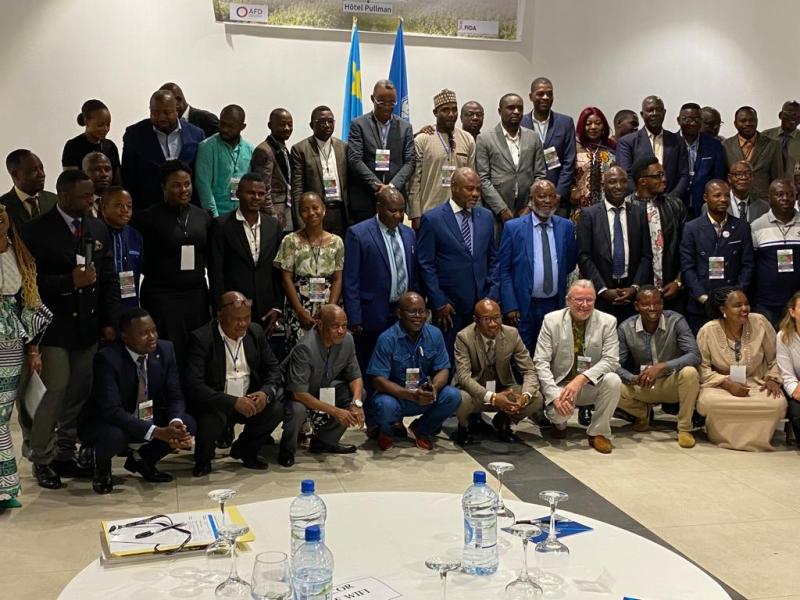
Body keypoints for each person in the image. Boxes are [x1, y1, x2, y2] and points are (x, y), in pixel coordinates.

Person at [20, 170, 120, 489]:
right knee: (54, 391)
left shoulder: (96, 226)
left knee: (79, 391)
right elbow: (28, 285)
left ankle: (65, 452)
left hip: (87, 327)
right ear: (63, 195)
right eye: (84, 196)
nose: (91, 201)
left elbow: (108, 278)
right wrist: (68, 282)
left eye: (92, 195)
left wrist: (109, 321)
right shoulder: (36, 231)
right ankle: (42, 458)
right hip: (53, 328)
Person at [78, 309, 195, 494]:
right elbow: (111, 411)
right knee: (114, 436)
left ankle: (143, 460)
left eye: (154, 330)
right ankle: (101, 468)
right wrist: (158, 432)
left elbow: (175, 396)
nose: (152, 337)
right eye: (144, 333)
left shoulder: (165, 350)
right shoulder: (107, 359)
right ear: (125, 337)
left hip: (146, 413)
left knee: (187, 423)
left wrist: (175, 424)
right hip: (107, 421)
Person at [185, 292, 285, 475]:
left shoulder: (255, 332)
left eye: (247, 318)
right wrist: (232, 402)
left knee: (276, 409)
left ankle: (245, 450)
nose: (243, 324)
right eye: (236, 319)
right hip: (217, 402)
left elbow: (273, 369)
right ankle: (203, 459)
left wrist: (265, 393)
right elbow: (194, 386)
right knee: (211, 419)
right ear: (220, 315)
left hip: (248, 398)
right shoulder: (202, 338)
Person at [135, 160, 211, 369]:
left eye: (187, 184)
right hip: (162, 294)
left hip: (196, 294)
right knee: (167, 352)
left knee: (197, 350)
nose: (183, 190)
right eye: (176, 185)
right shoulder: (147, 218)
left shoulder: (202, 216)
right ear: (163, 187)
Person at [0, 205, 52, 508]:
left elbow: (30, 303)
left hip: (10, 344)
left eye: (2, 218)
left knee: (2, 416)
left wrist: (33, 348)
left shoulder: (19, 254)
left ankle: (6, 489)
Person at [418, 167, 496, 362]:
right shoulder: (433, 219)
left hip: (481, 306)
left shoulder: (486, 217)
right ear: (453, 187)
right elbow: (425, 264)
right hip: (449, 309)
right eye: (469, 189)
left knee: (480, 361)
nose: (476, 194)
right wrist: (438, 301)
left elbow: (494, 260)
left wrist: (491, 296)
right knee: (450, 361)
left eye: (478, 189)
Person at [533, 279, 620, 453]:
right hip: (561, 386)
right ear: (568, 300)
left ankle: (598, 432)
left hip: (589, 385)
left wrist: (582, 378)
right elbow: (540, 362)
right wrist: (554, 395)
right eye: (579, 299)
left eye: (590, 300)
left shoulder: (608, 321)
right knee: (560, 414)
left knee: (613, 380)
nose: (584, 305)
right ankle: (559, 425)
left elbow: (611, 360)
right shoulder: (551, 320)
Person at [366, 292, 460, 451]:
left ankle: (421, 429)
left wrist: (433, 390)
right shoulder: (387, 339)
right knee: (383, 404)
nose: (418, 316)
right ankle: (387, 433)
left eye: (422, 311)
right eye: (412, 312)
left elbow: (443, 369)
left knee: (453, 395)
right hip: (397, 398)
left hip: (425, 396)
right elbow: (378, 380)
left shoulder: (435, 334)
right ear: (399, 313)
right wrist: (411, 395)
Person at [696, 287, 785, 451]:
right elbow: (702, 368)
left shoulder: (760, 322)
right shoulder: (708, 330)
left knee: (776, 403)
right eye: (738, 305)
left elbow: (776, 357)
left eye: (746, 304)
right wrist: (726, 384)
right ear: (723, 309)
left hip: (757, 383)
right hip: (720, 385)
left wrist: (773, 379)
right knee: (710, 402)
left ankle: (759, 439)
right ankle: (721, 436)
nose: (745, 309)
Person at [343, 187, 417, 375]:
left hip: (402, 312)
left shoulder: (409, 234)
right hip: (372, 313)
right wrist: (354, 316)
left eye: (401, 210)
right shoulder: (358, 233)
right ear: (379, 207)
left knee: (398, 365)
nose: (398, 216)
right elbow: (351, 279)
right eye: (393, 210)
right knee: (371, 365)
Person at [497, 180, 576, 354]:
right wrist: (510, 305)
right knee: (523, 355)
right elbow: (503, 270)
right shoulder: (513, 228)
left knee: (551, 352)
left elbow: (569, 263)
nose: (547, 201)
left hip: (554, 304)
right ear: (531, 200)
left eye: (551, 196)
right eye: (542, 196)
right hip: (523, 305)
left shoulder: (566, 227)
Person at [616, 286, 701, 448]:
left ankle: (684, 428)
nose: (652, 308)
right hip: (644, 385)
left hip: (672, 382)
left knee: (690, 373)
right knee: (610, 382)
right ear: (636, 306)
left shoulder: (676, 320)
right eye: (646, 305)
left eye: (657, 303)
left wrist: (662, 367)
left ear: (663, 304)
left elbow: (694, 355)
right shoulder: (625, 328)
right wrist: (633, 378)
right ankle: (643, 413)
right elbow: (615, 365)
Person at [453, 299, 543, 445]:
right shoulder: (463, 337)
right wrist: (493, 398)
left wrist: (525, 397)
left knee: (536, 397)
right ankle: (464, 426)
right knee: (459, 398)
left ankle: (504, 421)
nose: (493, 324)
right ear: (475, 320)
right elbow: (464, 378)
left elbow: (529, 370)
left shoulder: (511, 334)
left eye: (496, 318)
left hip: (504, 388)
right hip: (475, 391)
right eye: (486, 319)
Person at [282, 304, 364, 462]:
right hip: (296, 394)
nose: (341, 330)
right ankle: (287, 450)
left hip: (324, 386)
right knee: (298, 410)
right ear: (319, 324)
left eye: (344, 326)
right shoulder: (305, 348)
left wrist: (357, 403)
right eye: (335, 326)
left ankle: (324, 441)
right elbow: (298, 393)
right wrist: (336, 411)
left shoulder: (348, 340)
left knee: (358, 394)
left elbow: (355, 376)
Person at [208, 174, 283, 335]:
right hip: (234, 308)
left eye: (261, 194)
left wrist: (277, 306)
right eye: (251, 193)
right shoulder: (221, 225)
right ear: (237, 194)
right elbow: (216, 272)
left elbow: (277, 270)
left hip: (266, 309)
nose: (256, 197)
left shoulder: (273, 225)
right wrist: (221, 308)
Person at [577, 166, 652, 322]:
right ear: (603, 185)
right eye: (612, 182)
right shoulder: (589, 215)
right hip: (601, 293)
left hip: (631, 293)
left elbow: (646, 255)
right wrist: (602, 290)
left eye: (623, 181)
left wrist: (635, 287)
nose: (618, 186)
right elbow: (584, 256)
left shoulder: (638, 213)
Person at [681, 180, 755, 334]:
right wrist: (703, 297)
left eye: (727, 195)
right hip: (701, 304)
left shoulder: (741, 227)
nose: (723, 199)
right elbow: (687, 266)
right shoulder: (691, 228)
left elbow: (748, 264)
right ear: (705, 197)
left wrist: (735, 297)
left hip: (733, 304)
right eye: (717, 195)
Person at [275, 192, 344, 354]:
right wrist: (300, 311)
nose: (311, 213)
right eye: (305, 210)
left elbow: (337, 279)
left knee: (328, 354)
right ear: (300, 214)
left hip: (327, 306)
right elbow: (286, 279)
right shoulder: (290, 240)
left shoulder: (337, 242)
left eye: (315, 208)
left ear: (324, 209)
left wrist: (329, 311)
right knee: (300, 355)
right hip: (299, 308)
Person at [121, 89, 205, 210]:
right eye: (155, 113)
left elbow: (199, 176)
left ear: (177, 110)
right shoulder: (134, 134)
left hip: (187, 209)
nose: (161, 117)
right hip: (149, 210)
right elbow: (128, 177)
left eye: (166, 112)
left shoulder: (196, 135)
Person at [347, 80, 416, 224]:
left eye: (392, 102)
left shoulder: (405, 127)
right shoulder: (358, 125)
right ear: (372, 99)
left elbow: (410, 162)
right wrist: (378, 187)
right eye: (382, 102)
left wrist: (391, 188)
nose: (387, 107)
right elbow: (355, 159)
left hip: (395, 200)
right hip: (366, 197)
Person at [408, 89, 476, 229]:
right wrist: (415, 214)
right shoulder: (423, 140)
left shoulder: (467, 139)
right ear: (435, 113)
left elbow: (472, 179)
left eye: (454, 110)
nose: (451, 114)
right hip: (429, 213)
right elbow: (414, 182)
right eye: (445, 110)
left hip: (460, 214)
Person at [477, 93, 547, 226]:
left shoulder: (533, 137)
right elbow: (483, 179)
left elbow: (540, 175)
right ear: (500, 111)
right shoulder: (485, 138)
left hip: (526, 209)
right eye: (511, 108)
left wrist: (530, 207)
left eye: (520, 108)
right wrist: (502, 209)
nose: (516, 111)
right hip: (496, 211)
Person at [629, 157, 687, 309]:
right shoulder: (626, 208)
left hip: (672, 290)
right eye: (658, 175)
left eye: (663, 174)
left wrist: (679, 281)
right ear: (642, 181)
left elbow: (687, 248)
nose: (664, 179)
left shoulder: (675, 205)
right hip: (636, 294)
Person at [519, 77, 576, 215]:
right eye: (540, 93)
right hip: (526, 199)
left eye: (549, 94)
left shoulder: (565, 123)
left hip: (557, 200)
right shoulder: (520, 123)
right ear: (531, 96)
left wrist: (557, 195)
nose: (545, 97)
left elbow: (569, 162)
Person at [290, 106, 349, 237]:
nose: (327, 125)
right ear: (312, 125)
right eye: (322, 122)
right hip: (315, 214)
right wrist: (300, 222)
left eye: (330, 121)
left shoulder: (343, 147)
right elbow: (297, 189)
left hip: (340, 213)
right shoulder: (300, 149)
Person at [616, 95, 690, 197]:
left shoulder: (678, 141)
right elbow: (626, 175)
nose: (654, 114)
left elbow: (684, 175)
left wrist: (671, 199)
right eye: (650, 110)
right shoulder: (627, 142)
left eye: (658, 110)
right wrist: (640, 197)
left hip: (671, 203)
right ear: (642, 114)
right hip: (638, 204)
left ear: (664, 113)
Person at [750, 179, 800, 326]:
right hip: (766, 303)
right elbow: (751, 264)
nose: (785, 198)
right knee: (768, 346)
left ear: (796, 197)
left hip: (798, 303)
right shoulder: (757, 226)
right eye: (779, 194)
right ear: (769, 199)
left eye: (790, 194)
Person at [195, 104, 254, 218]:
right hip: (217, 216)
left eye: (230, 126)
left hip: (242, 216)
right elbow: (204, 187)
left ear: (242, 127)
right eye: (222, 124)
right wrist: (215, 218)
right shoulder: (207, 147)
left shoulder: (250, 149)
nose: (225, 129)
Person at [722, 106, 783, 201]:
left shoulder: (772, 145)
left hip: (763, 201)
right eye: (743, 120)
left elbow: (777, 178)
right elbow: (723, 176)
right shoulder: (725, 145)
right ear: (735, 123)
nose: (748, 123)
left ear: (757, 121)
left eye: (752, 120)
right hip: (734, 201)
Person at [677, 102, 726, 218]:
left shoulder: (714, 145)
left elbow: (718, 177)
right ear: (678, 120)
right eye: (688, 119)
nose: (692, 123)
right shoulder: (669, 142)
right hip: (675, 203)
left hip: (704, 205)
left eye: (697, 119)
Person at [99, 187, 143, 311]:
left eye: (129, 206)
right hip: (102, 304)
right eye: (119, 205)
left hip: (130, 302)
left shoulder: (136, 236)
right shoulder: (96, 232)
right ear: (104, 207)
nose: (125, 210)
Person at [570, 106, 616, 222]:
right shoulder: (574, 148)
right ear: (582, 126)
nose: (593, 127)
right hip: (580, 209)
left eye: (597, 123)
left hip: (607, 208)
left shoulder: (613, 147)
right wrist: (571, 190)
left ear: (603, 126)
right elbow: (565, 173)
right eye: (588, 124)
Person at [251, 108, 294, 230]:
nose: (287, 128)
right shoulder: (264, 150)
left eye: (290, 125)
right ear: (270, 125)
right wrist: (272, 218)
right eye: (282, 124)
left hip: (287, 212)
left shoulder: (283, 148)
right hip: (274, 215)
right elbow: (263, 188)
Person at [62, 99, 121, 183]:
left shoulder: (110, 146)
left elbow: (117, 179)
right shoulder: (73, 146)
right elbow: (71, 181)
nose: (105, 129)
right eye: (100, 125)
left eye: (108, 124)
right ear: (87, 121)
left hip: (108, 194)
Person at [0, 149, 57, 226]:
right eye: (34, 170)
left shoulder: (54, 200)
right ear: (15, 175)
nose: (42, 174)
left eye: (41, 168)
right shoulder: (2, 207)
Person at [777, 291, 800, 444]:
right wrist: (795, 389)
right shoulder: (783, 336)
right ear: (792, 312)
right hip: (797, 386)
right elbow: (786, 375)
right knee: (797, 413)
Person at [764, 100, 800, 180]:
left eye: (798, 115)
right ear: (780, 115)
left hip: (794, 189)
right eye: (790, 114)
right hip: (768, 188)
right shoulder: (765, 136)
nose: (794, 118)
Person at [81, 152, 113, 216]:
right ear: (83, 173)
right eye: (97, 169)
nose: (104, 174)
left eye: (107, 169)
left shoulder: (120, 202)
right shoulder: (76, 204)